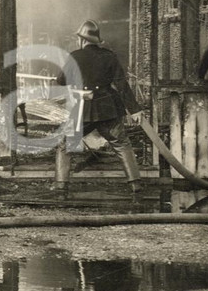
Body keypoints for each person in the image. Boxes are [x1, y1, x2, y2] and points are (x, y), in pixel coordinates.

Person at [52, 19, 143, 197]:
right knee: (122, 143)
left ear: (82, 40)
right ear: (96, 40)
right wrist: (135, 109)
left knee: (65, 144)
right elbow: (121, 85)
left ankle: (61, 185)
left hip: (82, 112)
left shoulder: (74, 56)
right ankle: (135, 184)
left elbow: (61, 81)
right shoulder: (109, 56)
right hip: (107, 109)